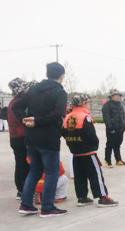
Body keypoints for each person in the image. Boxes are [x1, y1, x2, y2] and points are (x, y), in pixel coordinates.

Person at [13, 62, 68, 218]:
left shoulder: (33, 90)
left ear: (47, 73)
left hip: (30, 137)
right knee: (52, 173)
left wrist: (26, 120)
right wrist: (37, 120)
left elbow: (16, 107)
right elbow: (58, 114)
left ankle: (26, 204)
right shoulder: (60, 93)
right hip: (49, 138)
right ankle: (47, 207)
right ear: (61, 76)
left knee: (34, 171)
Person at [63, 94, 118, 207]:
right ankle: (102, 197)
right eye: (88, 103)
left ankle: (82, 197)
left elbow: (63, 132)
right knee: (95, 174)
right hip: (88, 151)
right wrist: (94, 146)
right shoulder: (85, 117)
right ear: (83, 103)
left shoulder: (68, 117)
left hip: (75, 151)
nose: (89, 105)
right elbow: (90, 134)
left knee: (79, 175)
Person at [7, 78, 34, 200]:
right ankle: (25, 189)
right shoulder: (20, 102)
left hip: (13, 137)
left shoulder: (12, 102)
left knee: (19, 163)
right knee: (26, 164)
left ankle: (20, 190)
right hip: (21, 136)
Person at [102, 88, 125, 168]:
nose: (117, 97)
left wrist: (123, 126)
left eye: (118, 95)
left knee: (117, 145)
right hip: (112, 129)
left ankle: (118, 159)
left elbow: (123, 116)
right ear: (111, 96)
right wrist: (110, 128)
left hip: (120, 129)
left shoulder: (120, 105)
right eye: (115, 95)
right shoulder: (107, 105)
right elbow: (106, 118)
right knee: (109, 145)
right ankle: (107, 161)